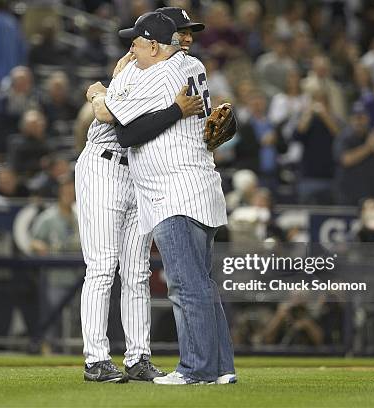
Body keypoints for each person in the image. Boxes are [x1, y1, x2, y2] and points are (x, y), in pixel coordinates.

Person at [89, 11, 236, 385]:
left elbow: (119, 129)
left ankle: (195, 369)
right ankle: (221, 369)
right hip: (199, 188)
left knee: (186, 286)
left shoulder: (159, 73)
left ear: (154, 45)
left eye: (136, 43)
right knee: (201, 284)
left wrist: (99, 87)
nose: (131, 49)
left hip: (174, 193)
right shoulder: (192, 65)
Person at [335, 102, 374, 205]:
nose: (358, 121)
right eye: (356, 118)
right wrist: (368, 147)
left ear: (367, 118)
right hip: (349, 195)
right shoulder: (344, 137)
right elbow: (346, 160)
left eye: (361, 117)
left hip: (373, 195)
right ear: (350, 119)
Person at [30, 178, 80, 255]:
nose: (70, 196)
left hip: (75, 263)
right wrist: (40, 246)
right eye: (66, 193)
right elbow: (33, 243)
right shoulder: (47, 218)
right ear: (59, 194)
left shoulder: (79, 218)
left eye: (72, 193)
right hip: (54, 263)